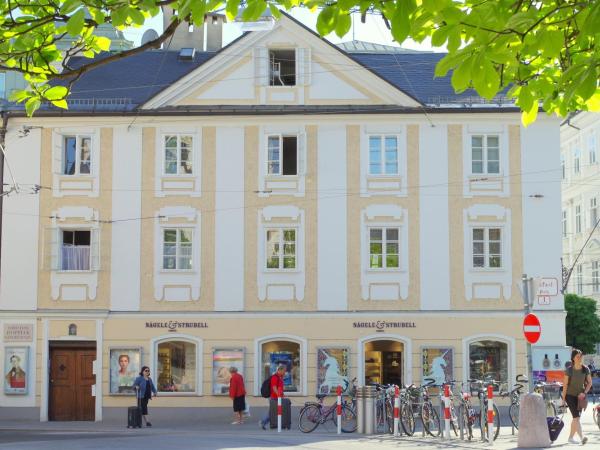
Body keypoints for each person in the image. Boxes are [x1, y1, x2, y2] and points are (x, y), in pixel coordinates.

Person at [562, 348, 592, 445]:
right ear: (573, 358)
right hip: (570, 396)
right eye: (577, 357)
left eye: (580, 356)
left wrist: (584, 393)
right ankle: (582, 437)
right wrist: (563, 398)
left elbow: (589, 383)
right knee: (576, 417)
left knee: (576, 418)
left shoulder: (585, 369)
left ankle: (570, 438)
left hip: (580, 397)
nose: (580, 358)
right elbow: (565, 385)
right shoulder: (569, 370)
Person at [259, 365, 285, 430]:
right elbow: (274, 388)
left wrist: (282, 395)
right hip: (274, 397)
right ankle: (263, 422)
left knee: (275, 411)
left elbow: (280, 387)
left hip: (278, 397)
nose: (284, 372)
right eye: (283, 371)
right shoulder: (274, 377)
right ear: (280, 370)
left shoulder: (280, 377)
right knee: (272, 412)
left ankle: (273, 424)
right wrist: (278, 395)